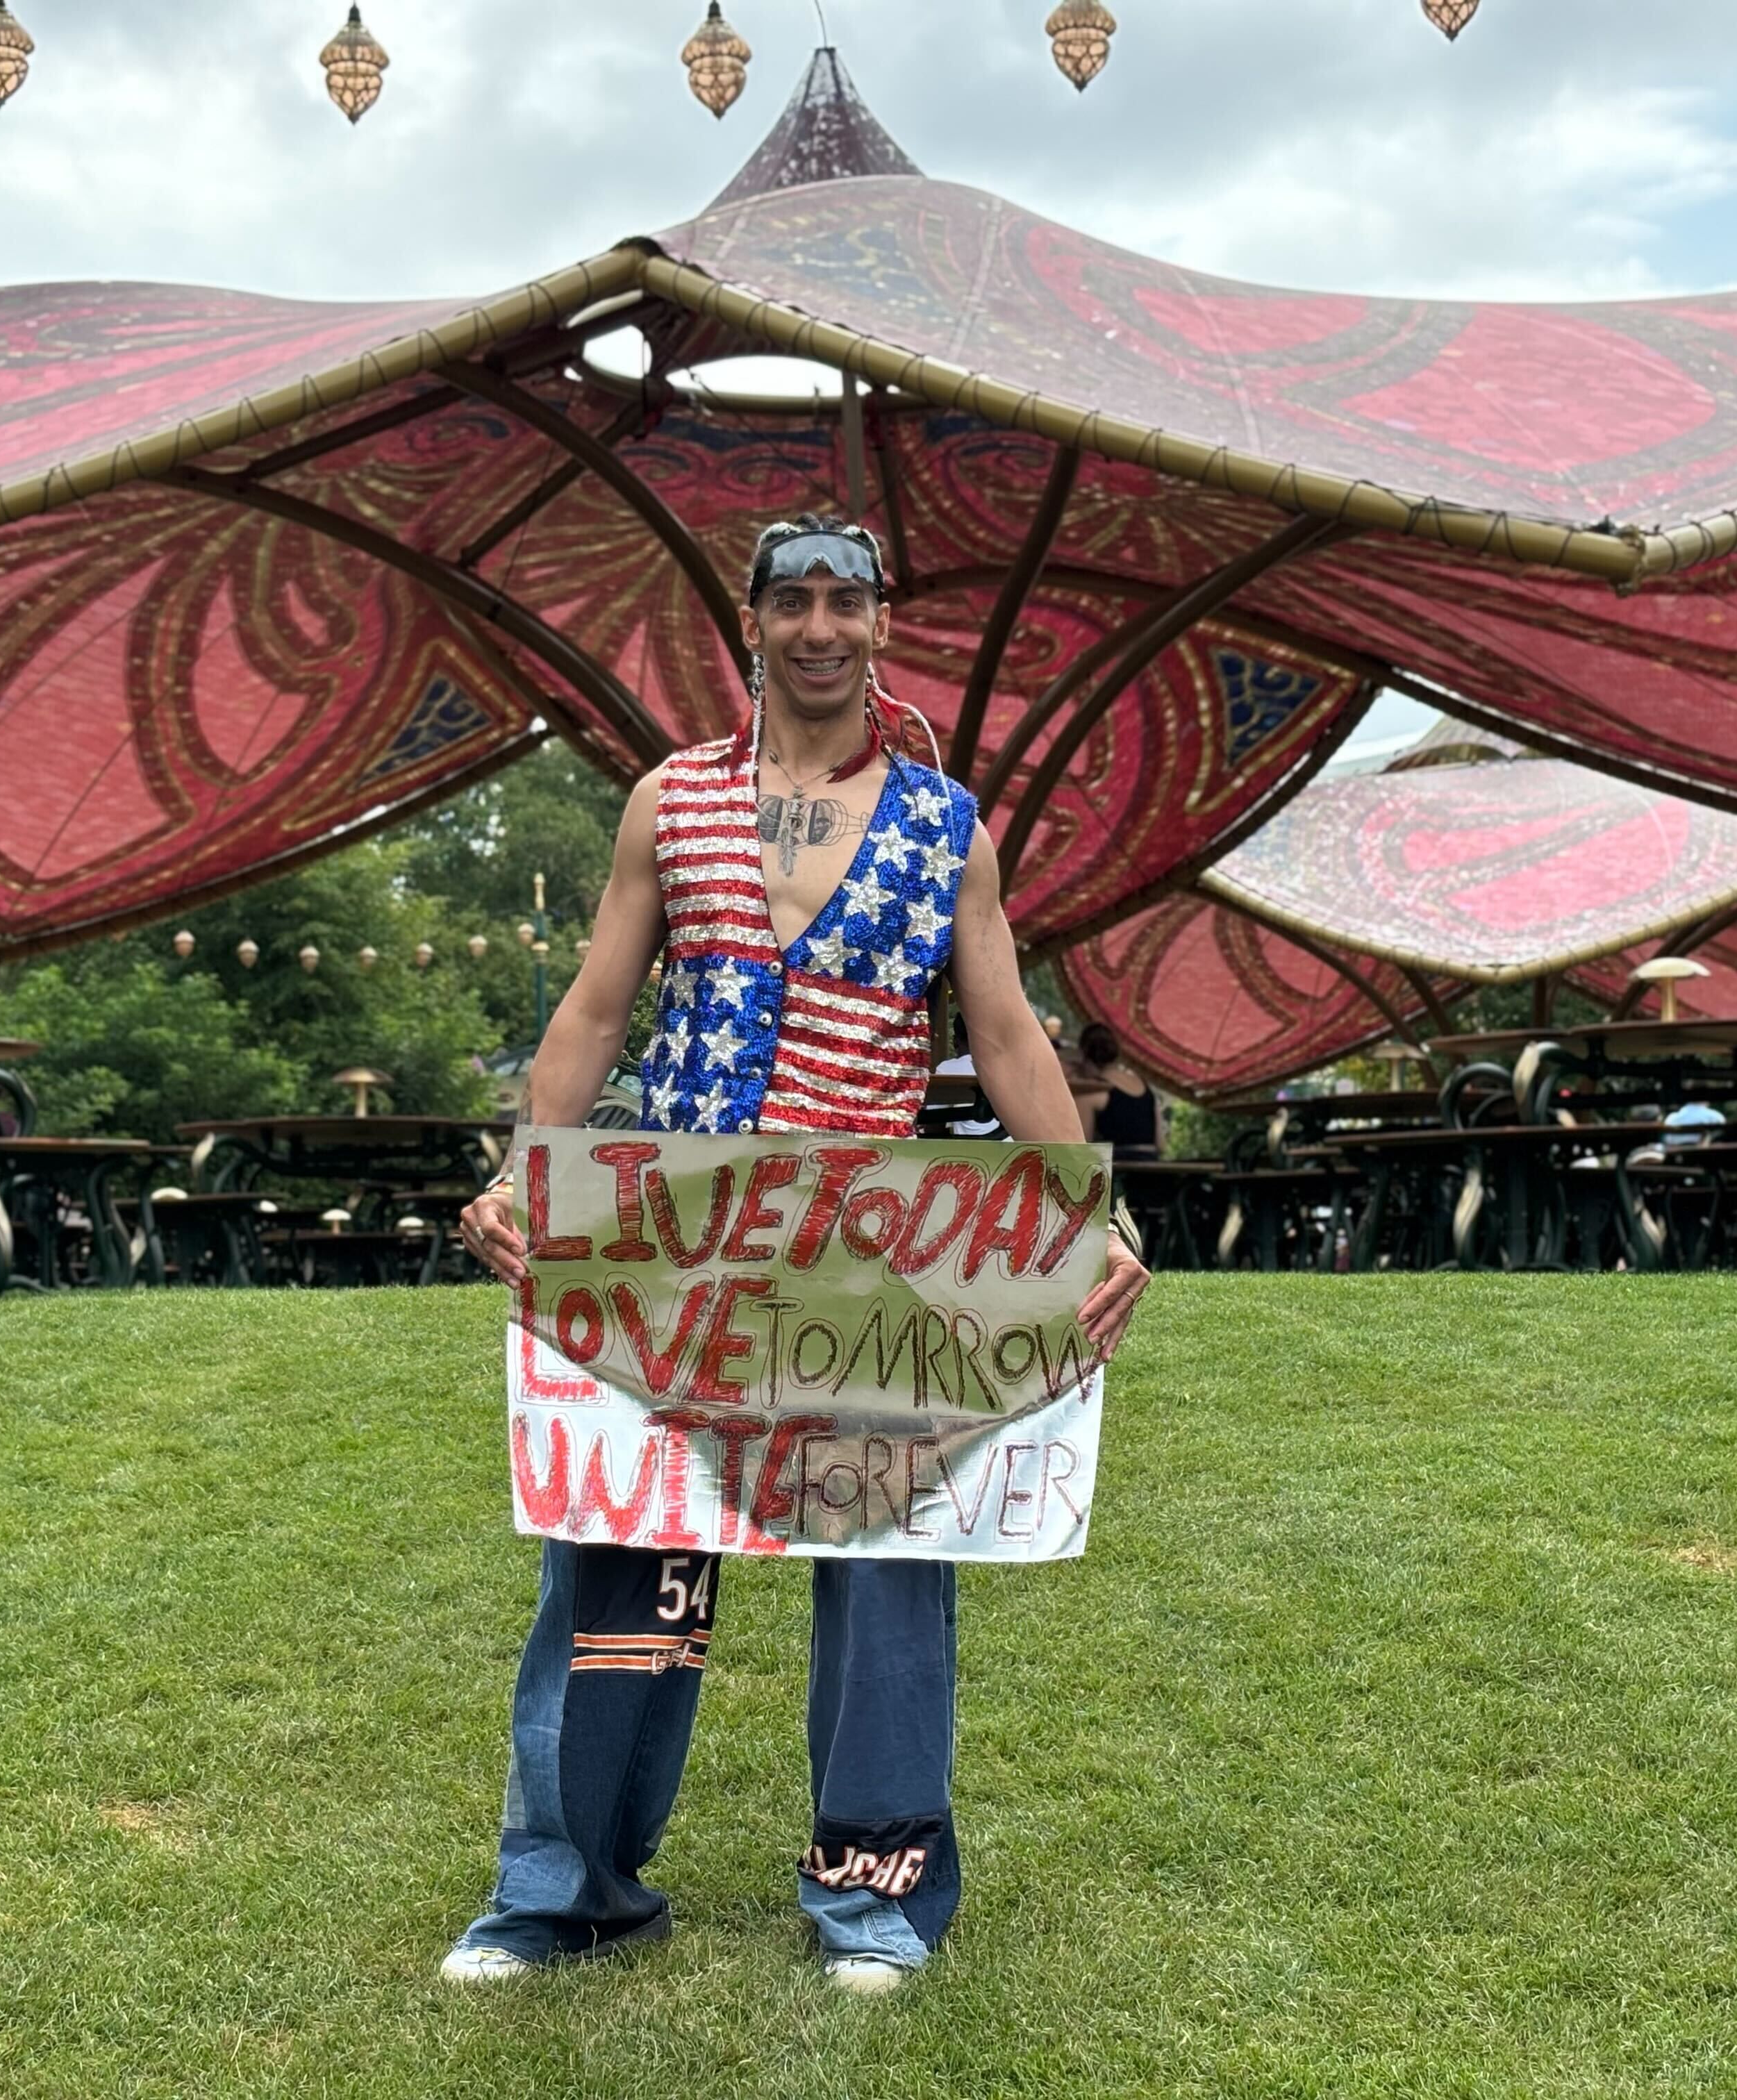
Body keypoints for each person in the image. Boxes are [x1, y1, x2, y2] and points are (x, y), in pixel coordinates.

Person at [443, 514, 1151, 1997]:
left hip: (862, 1246)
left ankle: (874, 1897)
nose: (819, 626)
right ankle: (566, 1890)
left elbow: (1006, 1030)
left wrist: (1095, 1218)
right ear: (753, 624)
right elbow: (595, 1008)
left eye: (846, 601)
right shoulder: (671, 800)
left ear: (881, 623)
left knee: (883, 1567)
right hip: (669, 1226)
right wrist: (519, 1170)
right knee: (624, 1556)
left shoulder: (948, 824)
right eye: (793, 601)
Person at [1068, 1022, 1164, 1162]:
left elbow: (1080, 1150)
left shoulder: (1092, 1092)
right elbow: (1160, 1144)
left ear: (1084, 1056)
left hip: (1116, 1168)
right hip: (1152, 1168)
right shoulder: (1144, 1087)